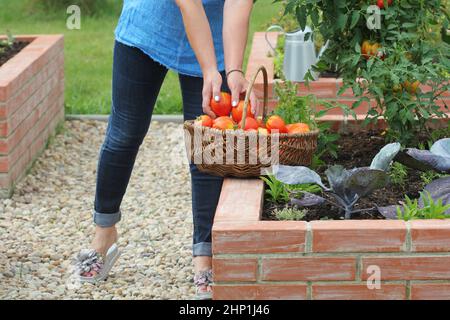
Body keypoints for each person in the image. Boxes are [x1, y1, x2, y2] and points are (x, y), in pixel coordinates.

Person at [74, 0, 258, 300]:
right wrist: (210, 69)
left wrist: (233, 70)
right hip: (148, 27)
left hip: (211, 34)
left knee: (207, 145)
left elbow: (238, 5)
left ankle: (205, 256)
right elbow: (190, 5)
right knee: (124, 134)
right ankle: (103, 236)